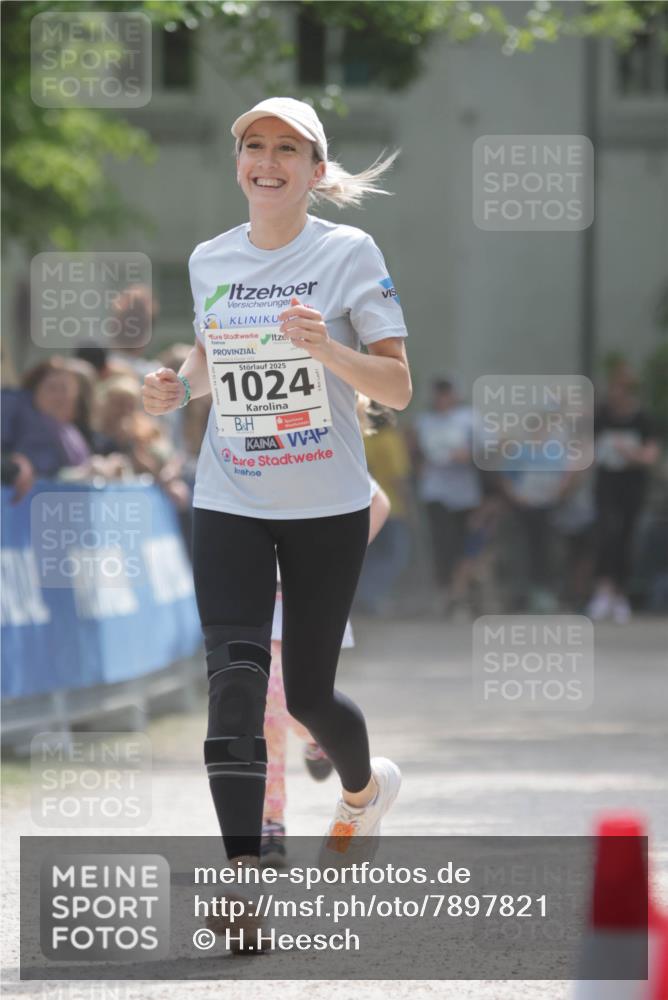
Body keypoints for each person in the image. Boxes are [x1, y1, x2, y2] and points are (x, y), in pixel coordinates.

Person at [142, 97, 412, 932]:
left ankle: (367, 790)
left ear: (315, 170)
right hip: (229, 495)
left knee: (308, 695)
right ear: (240, 164)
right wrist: (175, 385)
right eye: (253, 146)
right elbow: (209, 353)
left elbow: (396, 387)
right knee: (232, 681)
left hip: (325, 504)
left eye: (286, 149)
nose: (266, 160)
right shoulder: (209, 258)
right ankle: (245, 883)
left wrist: (327, 348)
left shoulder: (348, 254)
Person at [262, 472, 391, 866]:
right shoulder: (241, 450)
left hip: (309, 596)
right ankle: (271, 823)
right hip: (260, 600)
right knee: (266, 713)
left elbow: (378, 500)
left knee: (295, 707)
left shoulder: (319, 446)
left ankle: (318, 737)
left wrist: (342, 552)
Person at [587, 363, 659, 623]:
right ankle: (602, 589)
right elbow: (586, 446)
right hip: (607, 483)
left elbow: (650, 456)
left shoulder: (643, 419)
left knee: (627, 536)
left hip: (632, 484)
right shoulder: (602, 416)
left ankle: (620, 593)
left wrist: (629, 453)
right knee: (607, 532)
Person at [411, 377, 482, 617]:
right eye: (438, 394)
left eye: (446, 393)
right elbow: (414, 449)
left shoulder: (469, 418)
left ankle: (461, 593)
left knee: (465, 545)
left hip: (465, 493)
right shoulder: (425, 421)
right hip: (436, 490)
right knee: (443, 543)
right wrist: (417, 465)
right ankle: (447, 592)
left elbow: (494, 447)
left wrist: (471, 454)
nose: (442, 399)